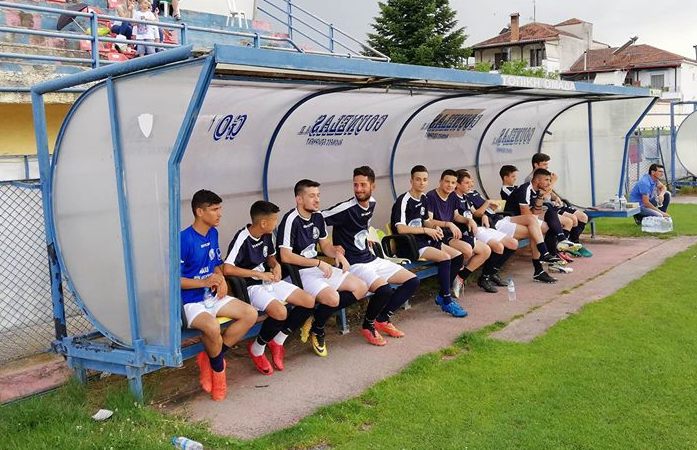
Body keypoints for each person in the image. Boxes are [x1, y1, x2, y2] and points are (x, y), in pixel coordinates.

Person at [322, 166, 421, 344]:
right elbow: (317, 219)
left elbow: (363, 222)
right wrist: (330, 246)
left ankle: (382, 319)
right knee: (384, 290)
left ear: (372, 186)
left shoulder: (372, 203)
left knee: (412, 281)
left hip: (370, 258)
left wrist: (365, 235)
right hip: (354, 263)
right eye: (355, 185)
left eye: (363, 185)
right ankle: (368, 326)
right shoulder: (346, 208)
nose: (358, 189)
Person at [180, 190, 257, 401]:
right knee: (213, 327)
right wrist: (203, 282)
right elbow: (174, 280)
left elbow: (216, 265)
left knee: (250, 314)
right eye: (214, 209)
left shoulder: (213, 233)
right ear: (200, 212)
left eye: (219, 208)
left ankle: (211, 358)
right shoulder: (183, 239)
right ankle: (219, 374)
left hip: (211, 296)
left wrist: (221, 279)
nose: (219, 213)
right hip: (191, 302)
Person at [277, 179, 369, 357]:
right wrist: (318, 263)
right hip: (296, 273)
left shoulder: (318, 216)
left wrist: (337, 254)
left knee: (361, 287)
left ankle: (316, 323)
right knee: (332, 298)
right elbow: (285, 256)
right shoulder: (290, 219)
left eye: (318, 195)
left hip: (315, 267)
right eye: (312, 196)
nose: (317, 200)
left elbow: (325, 245)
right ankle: (318, 328)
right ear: (299, 199)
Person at [224, 201, 315, 376]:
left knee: (309, 301)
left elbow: (270, 256)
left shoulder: (267, 235)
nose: (276, 223)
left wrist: (276, 265)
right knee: (280, 312)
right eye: (274, 220)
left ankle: (278, 341)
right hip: (252, 286)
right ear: (263, 223)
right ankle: (257, 349)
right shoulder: (242, 237)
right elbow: (227, 268)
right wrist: (258, 274)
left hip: (269, 280)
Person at [391, 165, 467, 317]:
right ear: (411, 181)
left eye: (425, 180)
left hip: (423, 239)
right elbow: (401, 229)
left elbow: (426, 221)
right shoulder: (403, 200)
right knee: (445, 258)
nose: (422, 183)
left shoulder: (424, 198)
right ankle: (447, 301)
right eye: (418, 179)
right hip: (409, 244)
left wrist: (435, 227)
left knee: (458, 256)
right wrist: (426, 231)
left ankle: (442, 295)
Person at [424, 169, 495, 295]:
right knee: (467, 250)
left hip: (451, 233)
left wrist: (469, 220)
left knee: (486, 250)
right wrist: (448, 224)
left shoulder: (452, 196)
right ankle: (449, 282)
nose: (450, 185)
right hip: (438, 234)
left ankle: (460, 277)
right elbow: (428, 221)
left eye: (453, 182)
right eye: (447, 181)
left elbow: (456, 216)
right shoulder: (431, 196)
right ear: (440, 181)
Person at [504, 169, 576, 283]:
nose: (549, 183)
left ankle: (548, 261)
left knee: (548, 219)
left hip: (527, 219)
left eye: (550, 180)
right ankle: (546, 260)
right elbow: (527, 215)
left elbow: (535, 213)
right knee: (541, 228)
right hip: (511, 220)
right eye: (546, 180)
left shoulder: (538, 191)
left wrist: (541, 196)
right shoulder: (525, 189)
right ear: (537, 180)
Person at [455, 170, 518, 290]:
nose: (470, 184)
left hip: (480, 226)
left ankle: (492, 273)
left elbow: (475, 213)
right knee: (498, 247)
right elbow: (456, 217)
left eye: (470, 182)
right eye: (467, 182)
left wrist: (484, 215)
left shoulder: (465, 196)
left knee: (513, 243)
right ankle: (484, 278)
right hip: (470, 231)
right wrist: (472, 219)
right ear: (457, 184)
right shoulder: (453, 198)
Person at [527, 153, 591, 256]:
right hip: (545, 207)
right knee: (572, 219)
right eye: (544, 164)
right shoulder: (532, 179)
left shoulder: (545, 175)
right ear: (536, 165)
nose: (547, 167)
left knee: (583, 217)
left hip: (552, 205)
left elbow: (549, 192)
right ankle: (562, 247)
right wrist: (553, 182)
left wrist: (556, 197)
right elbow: (543, 195)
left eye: (547, 164)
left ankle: (574, 243)